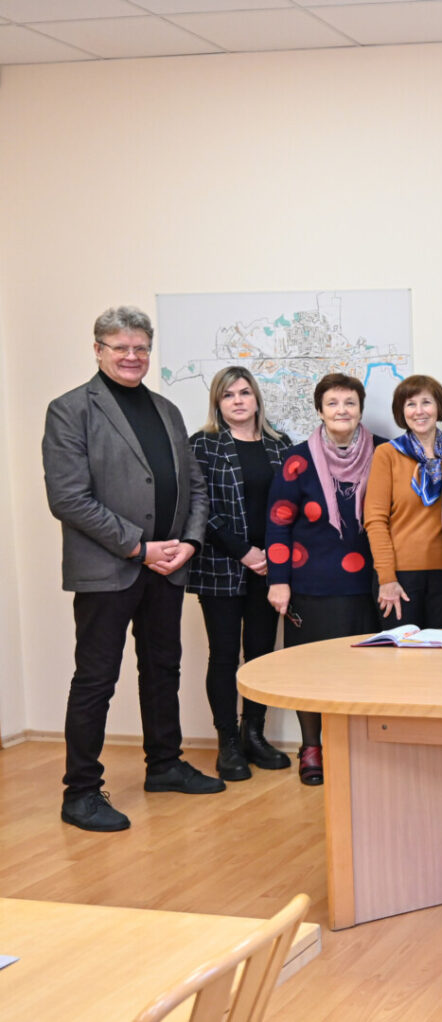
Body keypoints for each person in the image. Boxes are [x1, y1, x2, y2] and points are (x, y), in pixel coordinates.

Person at [43, 305, 218, 832]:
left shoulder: (166, 409)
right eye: (120, 347)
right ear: (98, 350)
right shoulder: (70, 410)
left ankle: (164, 765)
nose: (132, 356)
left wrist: (189, 542)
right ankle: (80, 792)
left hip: (168, 566)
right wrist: (139, 548)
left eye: (140, 347)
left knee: (163, 668)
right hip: (108, 568)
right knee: (96, 678)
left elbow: (196, 486)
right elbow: (68, 498)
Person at [265, 373, 379, 786]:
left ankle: (360, 751)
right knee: (311, 671)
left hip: (368, 586)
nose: (341, 410)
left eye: (349, 402)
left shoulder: (384, 452)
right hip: (310, 586)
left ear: (360, 409)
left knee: (365, 672)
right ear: (319, 410)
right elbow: (278, 522)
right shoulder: (297, 460)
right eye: (332, 403)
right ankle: (311, 748)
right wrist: (278, 580)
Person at [186, 366, 293, 782]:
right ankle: (227, 742)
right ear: (218, 402)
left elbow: (289, 505)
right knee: (225, 654)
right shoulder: (203, 445)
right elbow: (199, 507)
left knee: (262, 653)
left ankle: (254, 735)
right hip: (221, 565)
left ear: (256, 398)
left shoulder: (279, 445)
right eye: (228, 394)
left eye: (244, 392)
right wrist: (244, 552)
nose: (237, 401)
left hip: (270, 566)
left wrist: (272, 557)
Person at [364, 375, 442, 628]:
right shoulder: (387, 454)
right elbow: (375, 520)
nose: (419, 411)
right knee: (402, 652)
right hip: (399, 577)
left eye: (426, 402)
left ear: (439, 407)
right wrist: (387, 578)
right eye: (410, 404)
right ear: (401, 411)